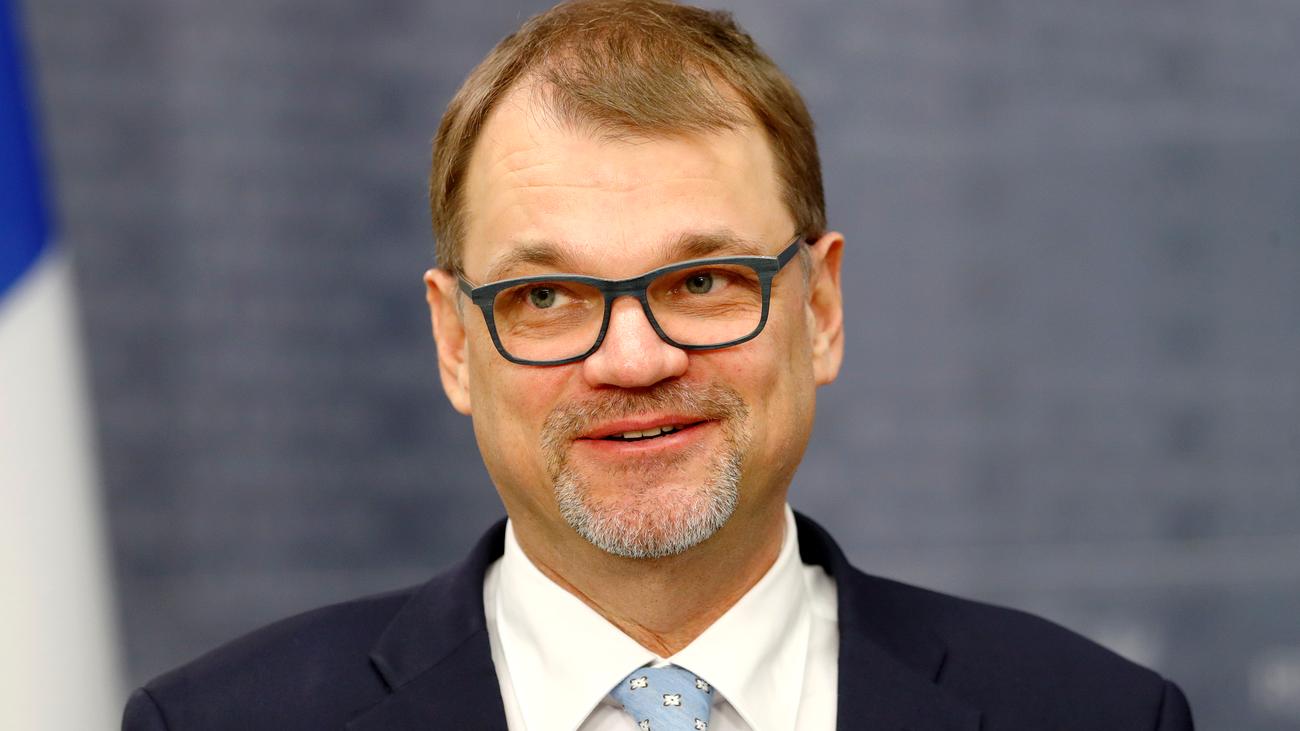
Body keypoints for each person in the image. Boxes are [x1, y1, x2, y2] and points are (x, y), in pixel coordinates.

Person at [122, 1, 1194, 729]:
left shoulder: (1095, 713)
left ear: (819, 309)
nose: (633, 359)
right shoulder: (221, 721)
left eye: (702, 281)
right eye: (546, 296)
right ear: (454, 342)